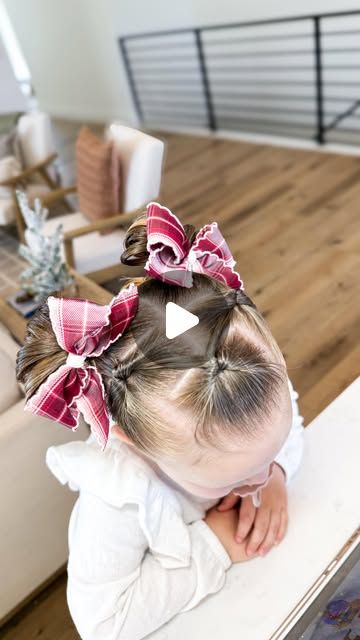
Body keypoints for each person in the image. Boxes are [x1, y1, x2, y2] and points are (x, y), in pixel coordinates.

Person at [16, 202, 305, 640]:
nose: (259, 480)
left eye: (267, 456)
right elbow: (103, 623)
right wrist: (216, 546)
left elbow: (292, 420)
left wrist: (279, 472)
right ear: (133, 441)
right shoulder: (118, 501)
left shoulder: (253, 423)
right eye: (241, 476)